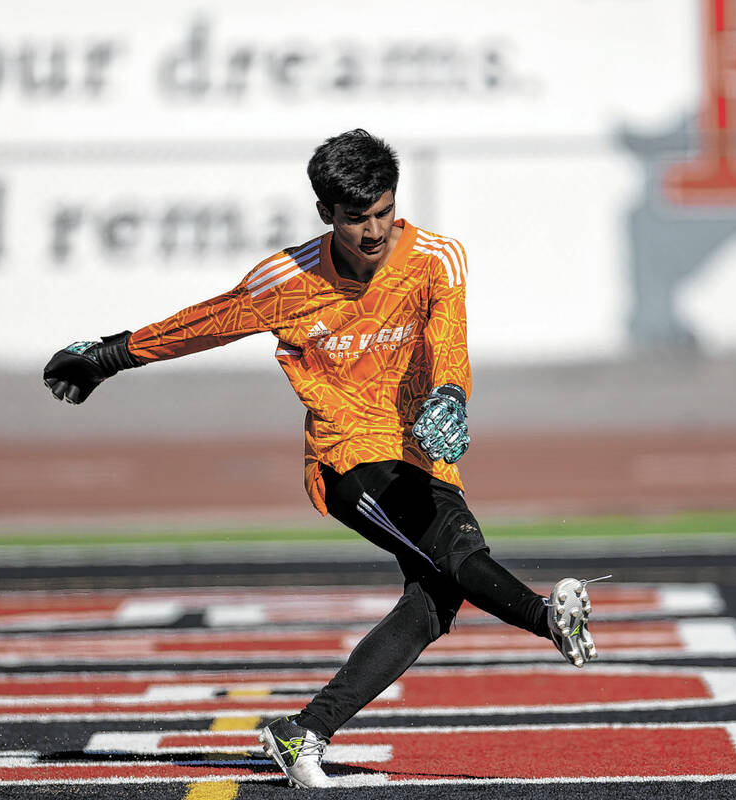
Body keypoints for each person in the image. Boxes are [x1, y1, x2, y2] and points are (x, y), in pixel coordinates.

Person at [42, 129, 600, 789]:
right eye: (355, 217)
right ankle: (546, 619)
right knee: (453, 555)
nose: (372, 230)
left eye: (383, 212)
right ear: (325, 214)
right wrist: (108, 356)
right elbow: (208, 323)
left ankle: (303, 731)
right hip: (346, 458)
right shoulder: (288, 280)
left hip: (422, 451)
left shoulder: (438, 259)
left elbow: (449, 337)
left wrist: (451, 392)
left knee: (435, 598)